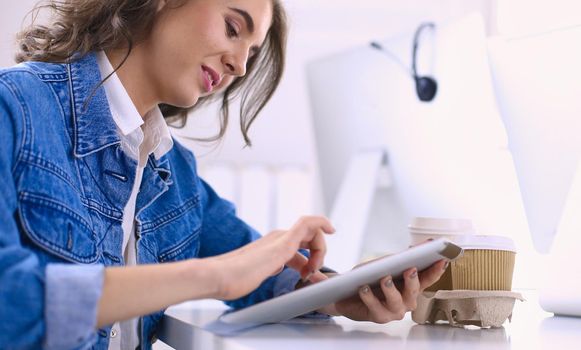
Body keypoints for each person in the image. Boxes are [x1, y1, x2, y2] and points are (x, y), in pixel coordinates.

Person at [0, 0, 448, 349]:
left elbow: (259, 275)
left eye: (251, 52)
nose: (240, 66)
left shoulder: (176, 177)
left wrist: (342, 293)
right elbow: (10, 301)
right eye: (234, 28)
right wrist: (213, 274)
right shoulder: (14, 109)